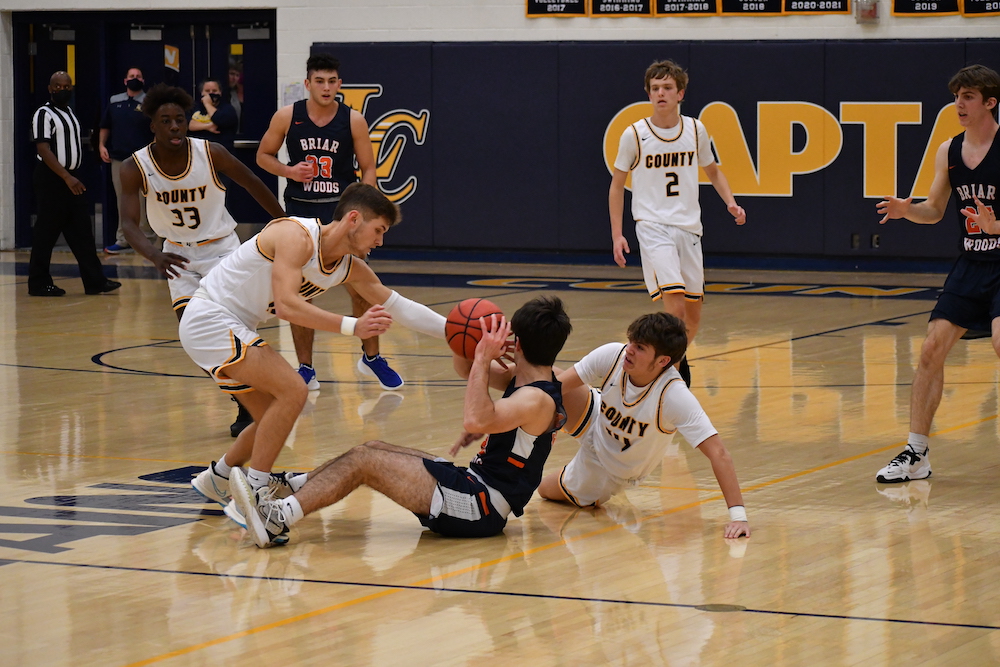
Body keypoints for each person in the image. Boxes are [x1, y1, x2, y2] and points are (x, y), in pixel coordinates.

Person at [184, 183, 448, 524]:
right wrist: (353, 326)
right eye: (378, 230)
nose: (380, 241)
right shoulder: (296, 235)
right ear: (354, 219)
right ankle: (252, 493)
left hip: (233, 324)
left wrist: (461, 334)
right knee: (294, 390)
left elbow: (400, 306)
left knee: (271, 420)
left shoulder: (346, 266)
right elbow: (287, 305)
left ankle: (218, 479)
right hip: (211, 316)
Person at [230, 296, 573, 548]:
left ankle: (277, 518)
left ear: (519, 340)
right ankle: (288, 486)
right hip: (474, 486)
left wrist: (483, 355)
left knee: (365, 461)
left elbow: (475, 417)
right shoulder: (527, 378)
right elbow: (465, 369)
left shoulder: (536, 399)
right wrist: (463, 337)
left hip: (480, 507)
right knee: (371, 449)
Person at [117, 83, 285, 438]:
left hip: (222, 249)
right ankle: (249, 395)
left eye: (180, 119)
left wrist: (283, 222)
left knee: (232, 330)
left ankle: (248, 405)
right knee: (194, 333)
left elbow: (252, 182)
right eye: (166, 121)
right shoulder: (135, 167)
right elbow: (128, 224)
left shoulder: (211, 153)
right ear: (153, 126)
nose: (175, 127)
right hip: (175, 256)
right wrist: (154, 255)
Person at [874, 64, 1000, 484]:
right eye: (956, 96)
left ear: (990, 102)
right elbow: (934, 209)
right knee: (930, 349)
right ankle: (917, 454)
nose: (959, 104)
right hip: (971, 264)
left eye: (968, 96)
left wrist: (998, 226)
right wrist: (907, 210)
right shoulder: (948, 150)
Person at [256, 53, 402, 393]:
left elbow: (368, 168)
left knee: (362, 287)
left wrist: (366, 208)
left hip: (341, 215)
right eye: (319, 81)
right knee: (299, 295)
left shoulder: (353, 120)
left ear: (339, 84)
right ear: (307, 84)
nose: (326, 87)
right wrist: (290, 171)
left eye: (331, 80)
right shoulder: (287, 116)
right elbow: (263, 155)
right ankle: (305, 367)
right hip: (300, 214)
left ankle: (371, 357)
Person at [537, 312, 751, 539]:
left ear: (662, 361)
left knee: (544, 490)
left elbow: (719, 453)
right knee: (547, 379)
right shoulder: (614, 355)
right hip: (597, 417)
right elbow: (552, 389)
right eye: (631, 341)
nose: (629, 349)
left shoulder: (673, 396)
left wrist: (738, 518)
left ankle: (603, 495)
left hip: (610, 469)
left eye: (640, 347)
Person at [609, 59, 746, 387]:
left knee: (693, 315)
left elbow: (713, 170)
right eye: (655, 88)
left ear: (680, 92)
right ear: (648, 93)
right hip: (652, 227)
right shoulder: (635, 135)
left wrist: (730, 201)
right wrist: (617, 234)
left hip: (689, 228)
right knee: (676, 309)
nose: (661, 93)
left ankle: (664, 369)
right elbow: (616, 184)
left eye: (667, 88)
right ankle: (667, 379)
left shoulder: (696, 130)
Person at [27, 71, 120, 297]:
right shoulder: (43, 113)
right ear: (50, 89)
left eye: (67, 86)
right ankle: (39, 283)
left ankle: (95, 281)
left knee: (82, 231)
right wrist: (66, 177)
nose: (63, 90)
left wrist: (72, 175)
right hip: (52, 179)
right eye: (58, 87)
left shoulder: (69, 112)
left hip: (72, 177)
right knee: (46, 232)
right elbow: (43, 149)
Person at [99, 67, 157, 255]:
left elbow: (157, 129)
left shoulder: (149, 102)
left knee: (144, 199)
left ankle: (146, 239)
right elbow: (105, 125)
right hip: (118, 158)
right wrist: (102, 145)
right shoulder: (114, 101)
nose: (135, 79)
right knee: (122, 199)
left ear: (143, 80)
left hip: (143, 159)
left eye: (138, 76)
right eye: (131, 76)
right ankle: (123, 239)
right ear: (125, 80)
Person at [187, 78, 238, 151]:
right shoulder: (193, 108)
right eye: (207, 91)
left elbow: (219, 119)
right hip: (197, 152)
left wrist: (207, 104)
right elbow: (187, 124)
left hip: (221, 153)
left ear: (220, 92)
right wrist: (208, 126)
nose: (211, 93)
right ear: (202, 93)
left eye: (214, 91)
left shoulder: (228, 109)